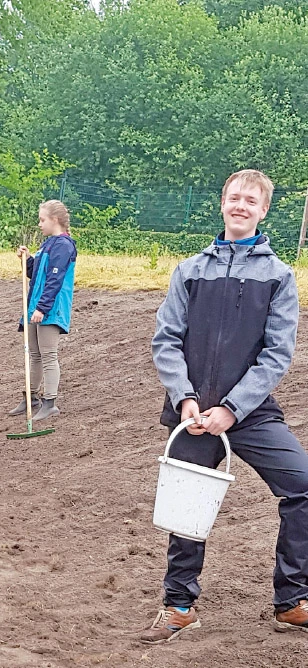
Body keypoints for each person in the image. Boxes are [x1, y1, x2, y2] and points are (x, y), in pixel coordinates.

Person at [141, 169, 308, 643]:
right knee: (185, 506)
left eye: (251, 201)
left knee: (303, 485)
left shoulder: (279, 277)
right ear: (222, 203)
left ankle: (291, 601)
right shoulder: (189, 270)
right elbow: (166, 340)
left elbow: (277, 354)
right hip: (192, 416)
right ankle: (179, 606)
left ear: (263, 210)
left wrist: (233, 409)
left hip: (250, 414)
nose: (241, 206)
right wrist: (185, 398)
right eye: (235, 197)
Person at [9, 200, 77, 421]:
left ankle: (50, 403)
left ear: (54, 220)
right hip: (34, 307)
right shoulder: (47, 244)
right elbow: (35, 274)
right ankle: (31, 398)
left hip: (50, 309)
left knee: (48, 355)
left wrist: (42, 308)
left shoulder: (64, 246)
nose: (39, 224)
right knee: (35, 354)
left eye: (42, 220)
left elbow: (54, 280)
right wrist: (27, 259)